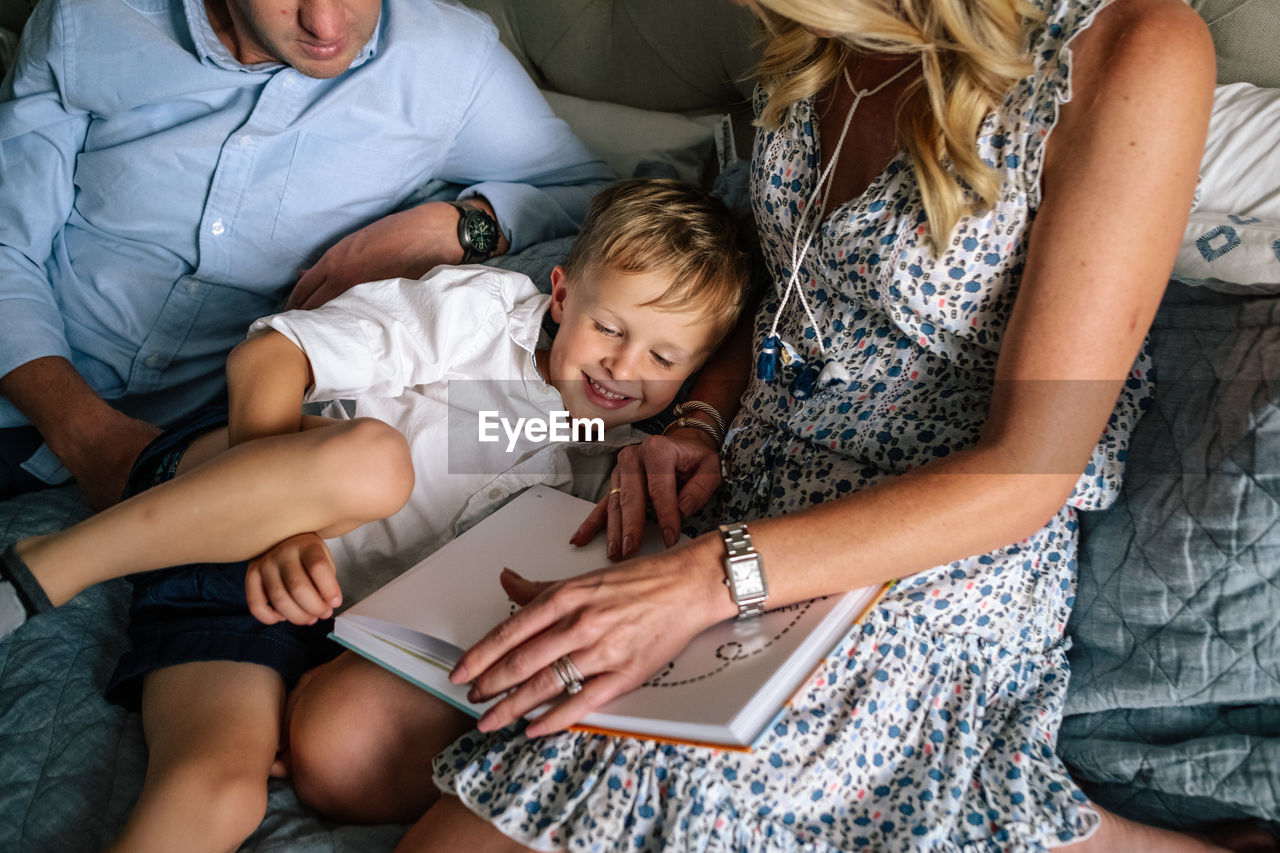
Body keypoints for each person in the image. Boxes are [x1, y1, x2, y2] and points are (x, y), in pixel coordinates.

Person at [269, 0, 1258, 851]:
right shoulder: (807, 31)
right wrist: (695, 421)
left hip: (920, 554)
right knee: (340, 746)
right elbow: (783, 294)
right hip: (740, 480)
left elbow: (1027, 472)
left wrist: (698, 583)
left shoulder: (1131, 45)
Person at [0, 178, 752, 852]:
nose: (623, 368)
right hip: (233, 522)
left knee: (216, 798)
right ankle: (46, 565)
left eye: (664, 358)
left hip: (308, 616)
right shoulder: (481, 314)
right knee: (377, 464)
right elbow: (269, 359)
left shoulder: (620, 464)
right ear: (561, 296)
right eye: (611, 329)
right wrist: (284, 531)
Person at [0, 0, 612, 509]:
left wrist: (461, 227)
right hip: (24, 392)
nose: (325, 24)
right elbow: (7, 244)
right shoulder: (89, 20)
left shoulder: (449, 62)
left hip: (204, 438)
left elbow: (595, 195)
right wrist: (85, 434)